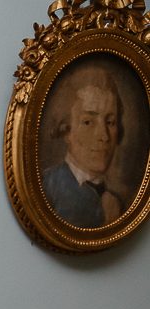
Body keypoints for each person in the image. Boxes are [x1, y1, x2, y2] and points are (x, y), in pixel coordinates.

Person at [42, 64, 126, 227]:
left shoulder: (115, 203)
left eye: (110, 122)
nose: (104, 136)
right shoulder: (47, 188)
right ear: (66, 130)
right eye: (88, 122)